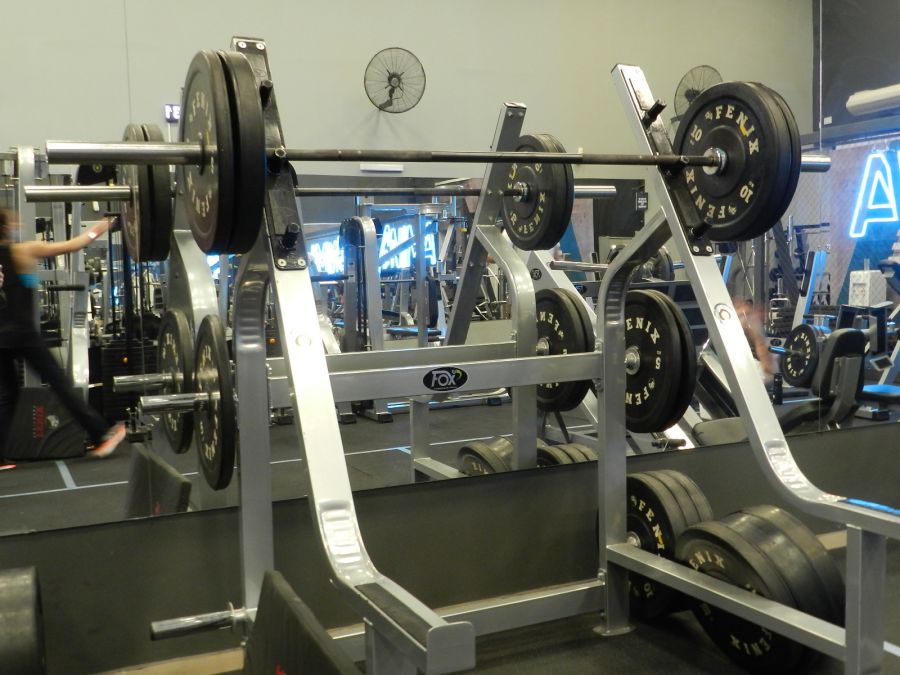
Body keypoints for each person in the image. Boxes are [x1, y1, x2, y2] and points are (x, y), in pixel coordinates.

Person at [0, 209, 125, 469]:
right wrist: (103, 225)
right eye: (13, 220)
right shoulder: (24, 250)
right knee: (60, 383)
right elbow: (77, 243)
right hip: (23, 334)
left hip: (2, 338)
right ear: (5, 227)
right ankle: (101, 434)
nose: (18, 223)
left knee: (6, 395)